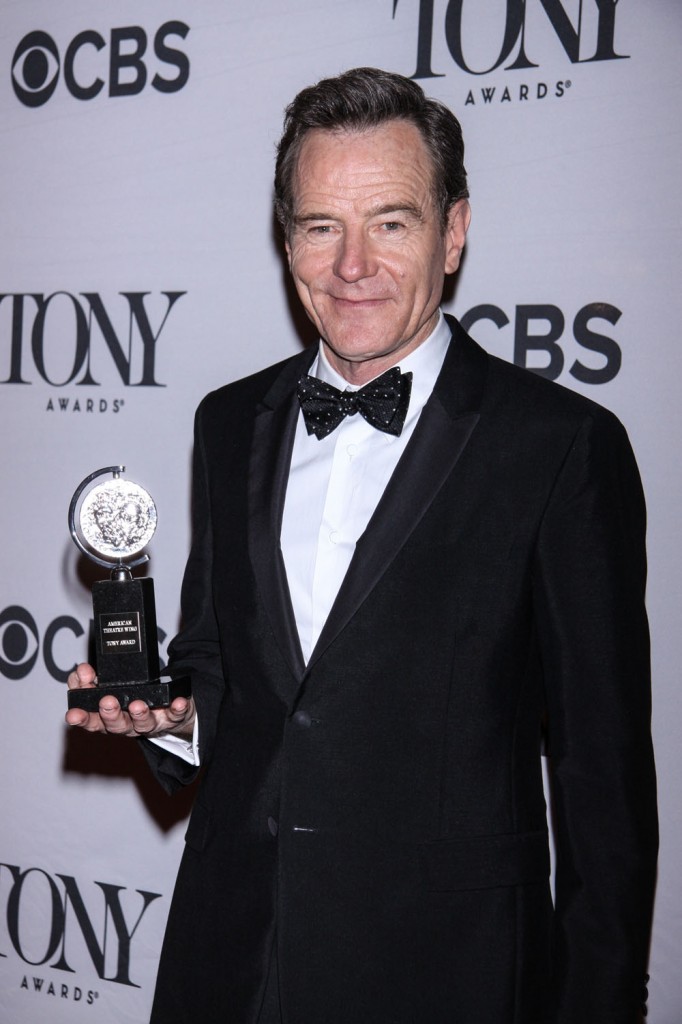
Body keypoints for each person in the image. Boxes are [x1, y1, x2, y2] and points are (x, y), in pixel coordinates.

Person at [66, 67, 658, 1024]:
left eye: (391, 221)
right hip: (230, 960)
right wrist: (165, 721)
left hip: (444, 976)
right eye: (320, 226)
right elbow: (223, 669)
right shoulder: (228, 421)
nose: (353, 266)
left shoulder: (559, 447)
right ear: (286, 238)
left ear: (453, 231)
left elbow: (603, 780)